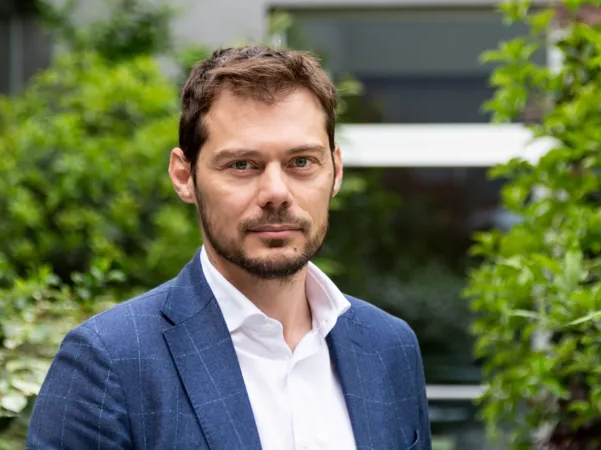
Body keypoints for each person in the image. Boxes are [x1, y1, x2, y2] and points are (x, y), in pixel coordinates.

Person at [26, 46, 431, 450]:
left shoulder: (389, 348)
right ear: (184, 176)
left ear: (335, 170)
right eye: (242, 165)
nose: (276, 193)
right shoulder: (108, 361)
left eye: (302, 162)